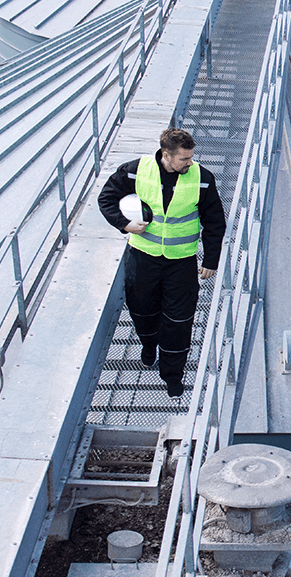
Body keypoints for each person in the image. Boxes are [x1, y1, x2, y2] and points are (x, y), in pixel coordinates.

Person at [98, 128, 226, 398]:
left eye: (191, 157)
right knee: (143, 311)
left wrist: (210, 259)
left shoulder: (202, 178)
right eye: (184, 159)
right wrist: (125, 224)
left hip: (181, 263)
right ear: (166, 155)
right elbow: (106, 198)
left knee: (179, 322)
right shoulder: (135, 171)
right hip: (143, 258)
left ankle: (173, 375)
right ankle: (148, 344)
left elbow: (214, 222)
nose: (189, 163)